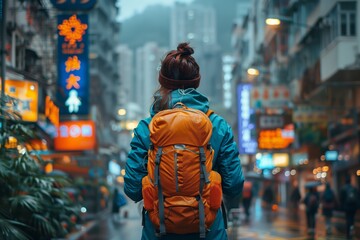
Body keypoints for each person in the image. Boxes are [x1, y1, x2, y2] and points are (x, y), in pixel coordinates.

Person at [124, 42, 244, 240]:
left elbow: (133, 187)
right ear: (196, 83)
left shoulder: (147, 127)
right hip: (209, 232)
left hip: (158, 232)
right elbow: (234, 184)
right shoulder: (218, 125)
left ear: (161, 82)